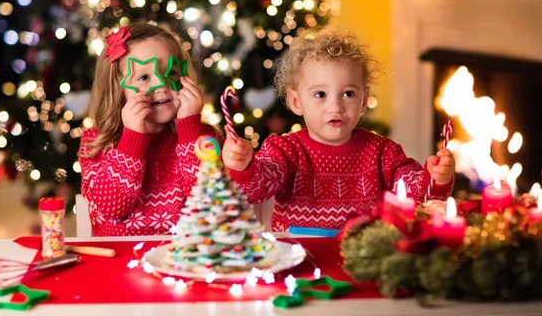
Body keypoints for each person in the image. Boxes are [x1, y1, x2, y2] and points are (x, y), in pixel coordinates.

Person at [222, 26, 455, 231]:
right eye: (320, 94)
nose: (335, 106)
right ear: (296, 102)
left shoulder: (383, 153)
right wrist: (243, 166)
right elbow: (255, 191)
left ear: (363, 101)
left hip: (363, 260)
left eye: (348, 94)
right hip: (302, 260)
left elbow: (419, 195)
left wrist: (435, 177)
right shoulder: (284, 151)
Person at [78, 23, 216, 236]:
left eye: (171, 72)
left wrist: (190, 128)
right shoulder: (98, 142)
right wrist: (133, 138)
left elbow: (211, 203)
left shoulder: (203, 137)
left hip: (186, 260)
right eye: (143, 77)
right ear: (117, 89)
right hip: (120, 263)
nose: (161, 84)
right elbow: (112, 208)